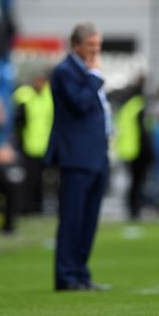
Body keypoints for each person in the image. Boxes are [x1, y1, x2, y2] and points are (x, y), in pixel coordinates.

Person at [45, 22, 111, 291]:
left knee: (89, 219)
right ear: (76, 45)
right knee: (73, 218)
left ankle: (81, 273)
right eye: (91, 46)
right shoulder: (65, 71)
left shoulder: (83, 70)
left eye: (98, 45)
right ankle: (66, 276)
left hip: (96, 155)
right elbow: (80, 104)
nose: (96, 51)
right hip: (76, 157)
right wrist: (95, 77)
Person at [12, 69, 54, 215]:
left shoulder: (50, 95)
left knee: (45, 180)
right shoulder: (24, 96)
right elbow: (18, 122)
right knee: (30, 179)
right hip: (29, 145)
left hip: (47, 145)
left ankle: (39, 207)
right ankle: (28, 208)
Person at [114, 75, 154, 221]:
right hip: (138, 150)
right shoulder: (138, 106)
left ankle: (132, 209)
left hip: (128, 150)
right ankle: (135, 210)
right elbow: (143, 131)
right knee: (138, 182)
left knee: (133, 182)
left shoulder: (126, 107)